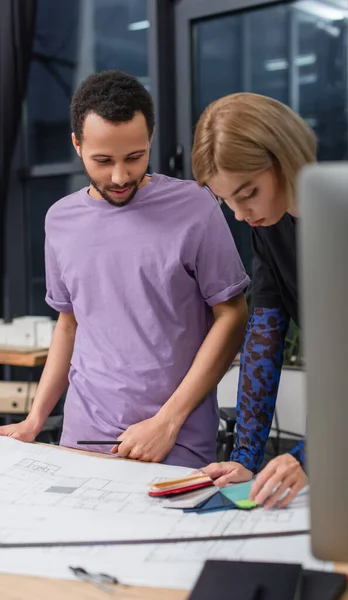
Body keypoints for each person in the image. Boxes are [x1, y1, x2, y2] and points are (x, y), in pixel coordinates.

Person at [0, 71, 250, 469]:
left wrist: (168, 422)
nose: (119, 177)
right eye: (103, 161)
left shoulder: (195, 207)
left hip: (174, 437)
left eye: (134, 157)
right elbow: (69, 324)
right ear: (77, 145)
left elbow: (232, 315)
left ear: (150, 140)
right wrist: (34, 419)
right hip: (83, 434)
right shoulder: (59, 220)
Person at [192, 92, 316, 507]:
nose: (240, 213)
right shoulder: (270, 225)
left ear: (285, 158)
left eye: (248, 192)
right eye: (226, 200)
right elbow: (264, 335)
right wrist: (245, 458)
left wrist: (313, 458)